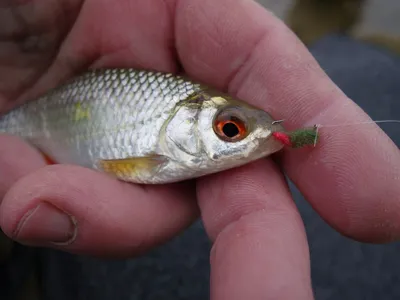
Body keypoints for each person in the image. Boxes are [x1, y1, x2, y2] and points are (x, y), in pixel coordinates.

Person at [0, 0, 399, 299]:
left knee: (362, 69)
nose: (254, 138)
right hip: (46, 111)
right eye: (230, 129)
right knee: (373, 72)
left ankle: (330, 33)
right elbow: (124, 166)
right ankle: (336, 32)